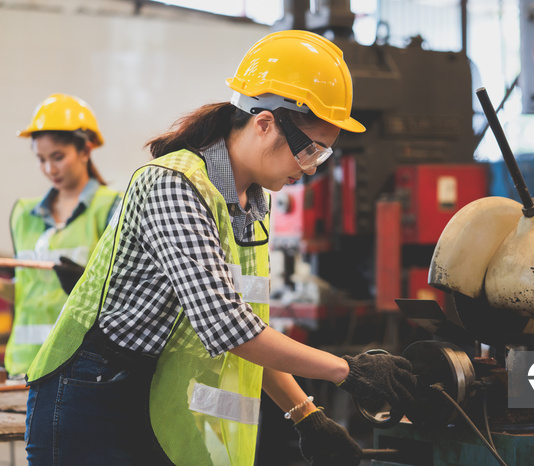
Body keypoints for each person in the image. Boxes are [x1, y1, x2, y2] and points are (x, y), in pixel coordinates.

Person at [24, 30, 416, 466]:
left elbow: (247, 325)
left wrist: (306, 415)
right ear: (265, 123)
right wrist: (346, 371)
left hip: (151, 389)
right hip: (89, 394)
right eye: (310, 151)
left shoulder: (251, 203)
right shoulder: (173, 183)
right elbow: (226, 325)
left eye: (322, 157)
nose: (308, 169)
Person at [0, 93, 122, 377]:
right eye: (40, 159)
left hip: (76, 366)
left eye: (57, 157)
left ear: (85, 150)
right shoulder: (23, 215)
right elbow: (30, 290)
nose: (49, 169)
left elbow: (121, 293)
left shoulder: (111, 208)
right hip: (24, 366)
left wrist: (85, 283)